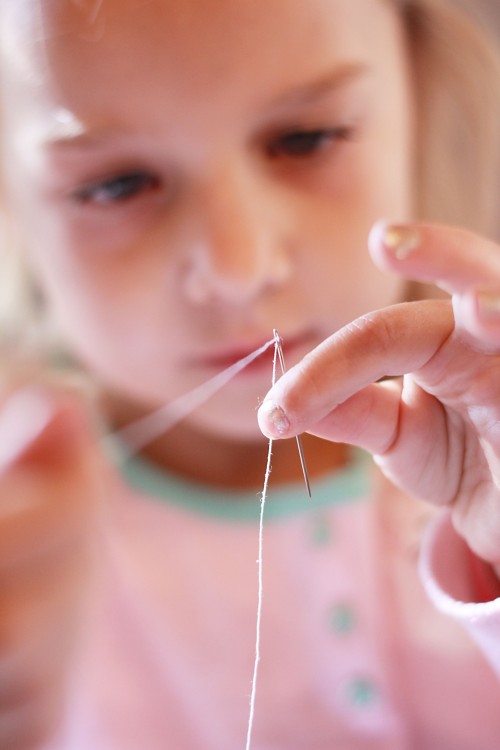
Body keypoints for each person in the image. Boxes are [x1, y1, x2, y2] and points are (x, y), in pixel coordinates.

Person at [1, 0, 500, 748]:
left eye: (305, 139)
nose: (238, 268)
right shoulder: (27, 552)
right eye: (116, 185)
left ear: (421, 103)